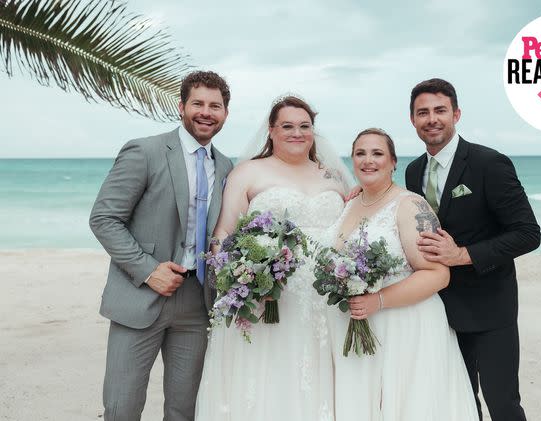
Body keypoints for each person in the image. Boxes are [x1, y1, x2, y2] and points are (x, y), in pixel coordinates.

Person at [194, 95, 351, 421]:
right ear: (271, 130)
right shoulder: (247, 173)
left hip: (325, 298)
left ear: (313, 130)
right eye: (288, 126)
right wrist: (240, 277)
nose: (297, 133)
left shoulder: (333, 175)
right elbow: (223, 233)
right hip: (267, 297)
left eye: (304, 126)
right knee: (266, 375)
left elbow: (351, 228)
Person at [89, 71, 234, 421]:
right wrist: (148, 271)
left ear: (225, 114)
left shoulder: (227, 166)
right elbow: (104, 219)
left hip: (198, 303)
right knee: (122, 406)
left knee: (184, 410)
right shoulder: (145, 151)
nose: (206, 112)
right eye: (197, 103)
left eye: (215, 105)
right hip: (141, 295)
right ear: (181, 106)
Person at [406, 78, 541, 421]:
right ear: (413, 120)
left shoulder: (489, 164)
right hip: (438, 310)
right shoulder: (413, 171)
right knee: (460, 404)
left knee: (503, 404)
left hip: (490, 308)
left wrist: (462, 255)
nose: (432, 119)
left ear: (456, 114)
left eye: (440, 110)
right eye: (423, 112)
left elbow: (528, 233)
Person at [328, 128, 479, 420]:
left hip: (406, 326)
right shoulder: (349, 204)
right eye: (360, 153)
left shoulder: (411, 206)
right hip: (360, 324)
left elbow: (438, 274)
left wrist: (378, 300)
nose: (368, 160)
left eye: (377, 153)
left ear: (393, 162)